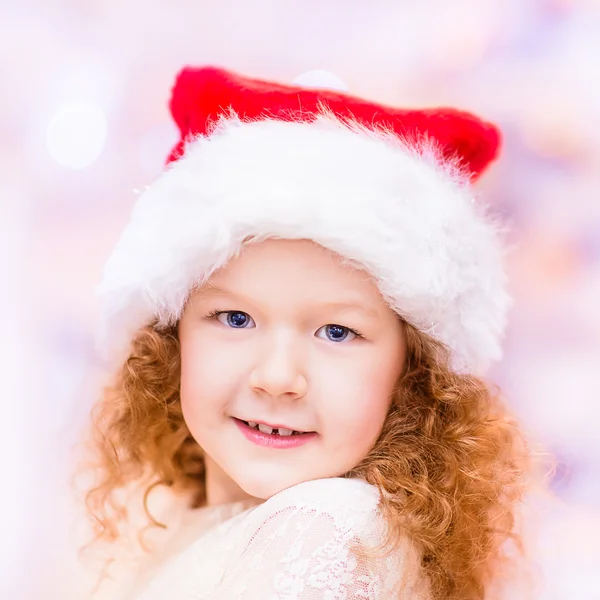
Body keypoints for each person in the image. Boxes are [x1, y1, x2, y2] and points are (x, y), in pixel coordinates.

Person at [81, 66, 531, 600]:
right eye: (235, 319)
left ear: (412, 372)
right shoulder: (201, 518)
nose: (277, 377)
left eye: (337, 332)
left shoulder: (325, 529)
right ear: (172, 340)